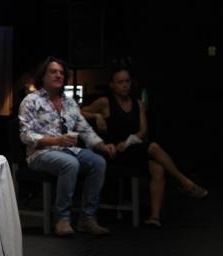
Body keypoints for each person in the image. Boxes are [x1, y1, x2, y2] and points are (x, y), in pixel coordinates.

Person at [81, 66, 208, 228]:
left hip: (132, 147)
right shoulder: (105, 102)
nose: (125, 85)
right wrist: (97, 115)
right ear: (112, 84)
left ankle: (154, 217)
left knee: (157, 165)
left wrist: (127, 143)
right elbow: (80, 112)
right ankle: (185, 182)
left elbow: (143, 132)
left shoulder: (138, 103)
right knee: (153, 148)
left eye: (127, 81)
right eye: (120, 82)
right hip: (113, 151)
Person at [18, 56, 116, 236]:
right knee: (70, 164)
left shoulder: (70, 103)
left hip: (69, 150)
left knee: (98, 162)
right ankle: (62, 219)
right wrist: (55, 140)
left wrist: (102, 145)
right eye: (53, 72)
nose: (58, 75)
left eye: (61, 73)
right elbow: (26, 135)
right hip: (40, 153)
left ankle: (87, 218)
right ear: (43, 76)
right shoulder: (31, 101)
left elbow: (85, 129)